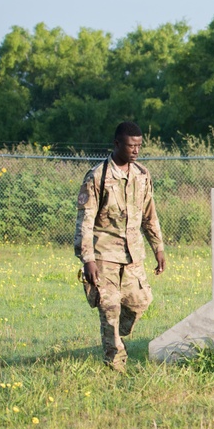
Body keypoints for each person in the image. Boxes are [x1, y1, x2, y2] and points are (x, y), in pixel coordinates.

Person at [74, 121, 166, 372]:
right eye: (130, 145)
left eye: (139, 146)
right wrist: (88, 259)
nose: (136, 150)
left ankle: (115, 332)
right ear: (116, 144)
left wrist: (158, 247)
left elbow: (150, 215)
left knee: (141, 301)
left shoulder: (142, 174)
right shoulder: (98, 177)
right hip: (104, 255)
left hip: (133, 254)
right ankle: (115, 365)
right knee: (110, 308)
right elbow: (85, 220)